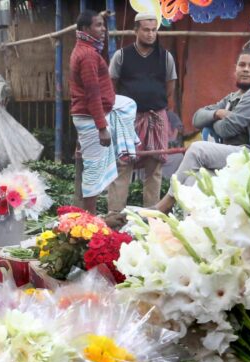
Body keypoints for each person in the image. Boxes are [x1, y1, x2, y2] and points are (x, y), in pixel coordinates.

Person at [154, 48, 250, 213]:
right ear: (235, 69)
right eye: (242, 65)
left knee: (198, 149)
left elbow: (226, 130)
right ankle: (193, 228)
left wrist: (213, 122)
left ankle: (165, 203)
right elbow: (197, 118)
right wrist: (217, 113)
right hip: (235, 157)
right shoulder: (232, 98)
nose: (246, 69)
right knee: (194, 180)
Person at [107, 12, 177, 212]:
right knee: (123, 163)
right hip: (128, 119)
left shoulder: (165, 57)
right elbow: (113, 85)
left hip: (157, 116)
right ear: (135, 30)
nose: (150, 34)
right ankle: (115, 215)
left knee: (154, 167)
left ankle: (150, 216)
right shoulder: (121, 56)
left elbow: (169, 87)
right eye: (146, 30)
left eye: (154, 30)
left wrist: (154, 101)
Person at [70, 10, 139, 214]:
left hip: (92, 114)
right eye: (98, 25)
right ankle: (89, 218)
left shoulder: (86, 48)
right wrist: (102, 128)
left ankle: (125, 143)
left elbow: (102, 52)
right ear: (85, 29)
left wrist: (103, 22)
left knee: (127, 104)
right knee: (93, 168)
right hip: (90, 117)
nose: (103, 29)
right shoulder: (87, 56)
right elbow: (92, 94)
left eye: (103, 25)